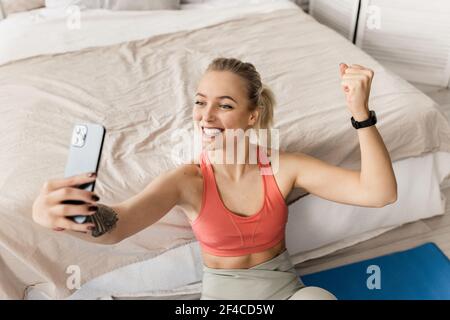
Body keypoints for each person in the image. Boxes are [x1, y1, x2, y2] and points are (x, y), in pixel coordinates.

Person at [32, 57, 397, 300]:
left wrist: (361, 114)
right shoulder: (187, 181)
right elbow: (117, 225)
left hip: (286, 292)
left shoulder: (285, 167)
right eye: (200, 102)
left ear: (252, 116)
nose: (206, 117)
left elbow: (379, 193)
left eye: (224, 105)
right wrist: (62, 213)